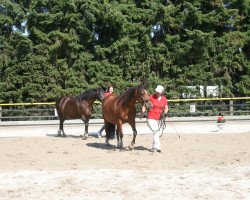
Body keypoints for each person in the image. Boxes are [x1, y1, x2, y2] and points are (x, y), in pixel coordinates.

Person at [141, 85, 168, 153]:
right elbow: (144, 105)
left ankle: (154, 148)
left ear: (162, 92)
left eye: (159, 92)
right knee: (155, 131)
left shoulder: (164, 99)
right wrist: (142, 112)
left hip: (159, 118)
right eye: (156, 91)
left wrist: (164, 113)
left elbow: (166, 107)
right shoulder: (151, 97)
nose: (157, 93)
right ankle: (158, 147)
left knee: (157, 133)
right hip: (151, 117)